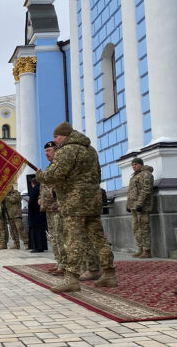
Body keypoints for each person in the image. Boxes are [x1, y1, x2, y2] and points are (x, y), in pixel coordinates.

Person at [36, 122, 117, 293]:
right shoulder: (90, 150)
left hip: (74, 202)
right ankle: (109, 274)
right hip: (93, 200)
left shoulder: (67, 150)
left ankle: (71, 278)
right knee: (99, 238)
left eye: (56, 137)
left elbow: (55, 175)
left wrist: (40, 176)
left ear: (64, 136)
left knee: (73, 239)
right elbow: (98, 174)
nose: (55, 141)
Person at [40, 141, 65, 275]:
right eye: (45, 152)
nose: (46, 154)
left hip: (57, 207)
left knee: (60, 236)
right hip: (49, 207)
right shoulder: (49, 168)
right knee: (54, 237)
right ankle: (59, 262)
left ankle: (64, 265)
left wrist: (61, 203)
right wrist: (41, 198)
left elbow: (62, 187)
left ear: (56, 151)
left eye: (49, 151)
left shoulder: (60, 167)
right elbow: (44, 186)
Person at [127, 157, 154, 258]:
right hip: (133, 206)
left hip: (142, 207)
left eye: (136, 164)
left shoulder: (146, 174)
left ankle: (147, 250)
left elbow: (146, 190)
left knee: (144, 228)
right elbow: (131, 191)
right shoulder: (134, 176)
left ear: (141, 164)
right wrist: (128, 205)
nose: (134, 166)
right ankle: (141, 248)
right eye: (132, 165)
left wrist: (140, 204)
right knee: (136, 228)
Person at [28, 178, 48, 253]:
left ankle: (37, 247)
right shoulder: (42, 189)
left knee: (36, 231)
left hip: (34, 214)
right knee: (41, 231)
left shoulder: (34, 190)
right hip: (41, 213)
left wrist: (29, 209)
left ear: (33, 183)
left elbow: (31, 202)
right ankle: (42, 246)